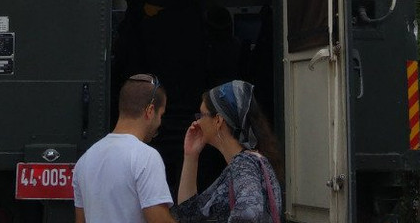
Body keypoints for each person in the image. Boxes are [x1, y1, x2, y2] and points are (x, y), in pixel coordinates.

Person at [172, 80, 283, 223]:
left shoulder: (243, 164)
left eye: (202, 115)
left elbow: (248, 214)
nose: (198, 122)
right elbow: (188, 215)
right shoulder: (250, 162)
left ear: (218, 120)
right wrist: (190, 156)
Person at [73, 74, 175, 223]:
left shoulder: (84, 161)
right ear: (150, 110)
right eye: (161, 115)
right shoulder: (146, 157)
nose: (160, 122)